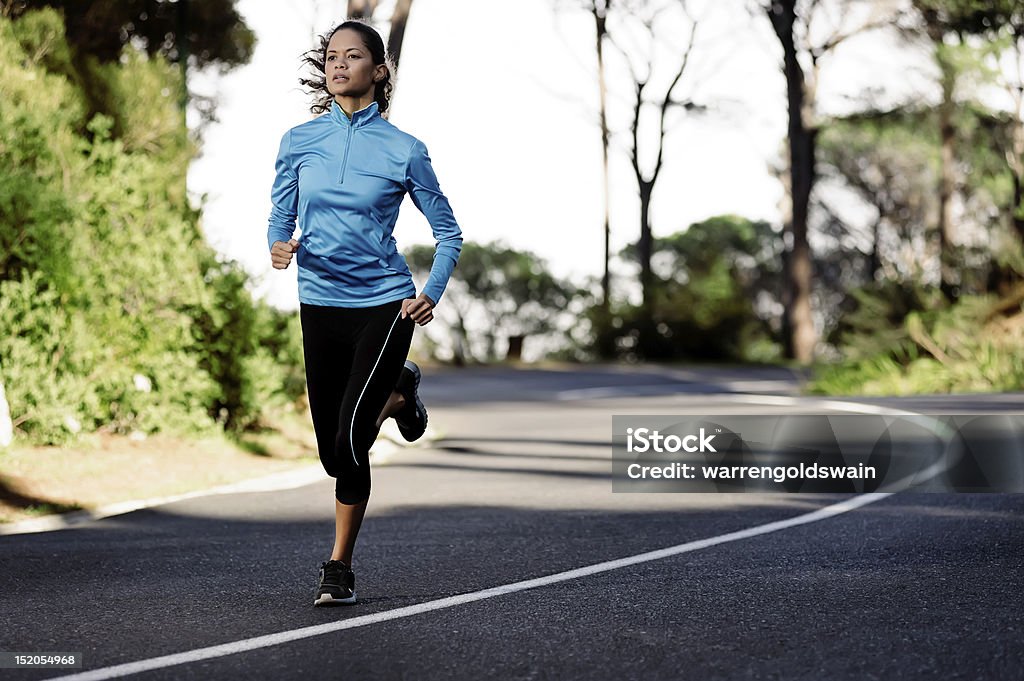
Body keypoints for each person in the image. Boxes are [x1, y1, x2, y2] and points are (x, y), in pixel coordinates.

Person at [267, 19, 463, 607]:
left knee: (351, 440)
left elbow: (448, 233)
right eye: (331, 56)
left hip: (384, 303)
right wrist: (279, 246)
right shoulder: (298, 140)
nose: (338, 65)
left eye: (353, 57)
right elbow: (280, 216)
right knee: (332, 452)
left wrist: (432, 289)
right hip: (319, 303)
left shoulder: (405, 150)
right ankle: (399, 393)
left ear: (378, 71)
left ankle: (338, 566)